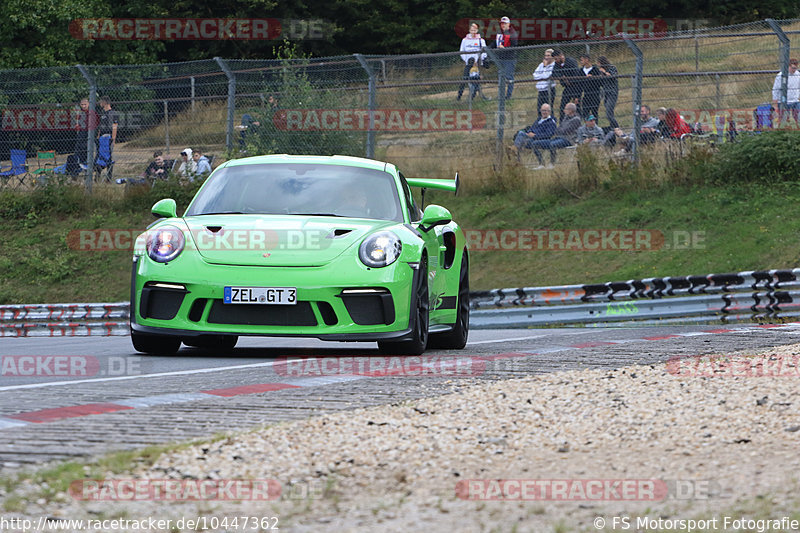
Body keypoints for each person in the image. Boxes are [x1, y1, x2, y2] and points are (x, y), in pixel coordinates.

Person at [530, 102, 582, 168]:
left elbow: (564, 130)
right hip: (558, 138)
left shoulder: (576, 120)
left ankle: (552, 164)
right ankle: (541, 164)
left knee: (553, 144)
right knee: (535, 144)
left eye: (565, 109)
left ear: (570, 110)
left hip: (568, 140)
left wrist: (560, 130)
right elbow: (558, 130)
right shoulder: (566, 117)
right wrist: (560, 130)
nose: (564, 110)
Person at [457, 23, 487, 101]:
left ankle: (474, 96)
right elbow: (461, 51)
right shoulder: (464, 40)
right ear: (469, 30)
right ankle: (459, 96)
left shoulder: (481, 40)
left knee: (476, 79)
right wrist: (467, 60)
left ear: (477, 30)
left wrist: (478, 60)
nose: (473, 32)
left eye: (475, 30)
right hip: (468, 63)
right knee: (465, 78)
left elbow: (484, 52)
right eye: (471, 30)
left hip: (477, 64)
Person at [492, 16, 518, 100]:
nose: (503, 25)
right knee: (501, 76)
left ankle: (508, 96)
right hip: (501, 58)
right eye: (502, 23)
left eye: (505, 23)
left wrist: (504, 48)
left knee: (509, 77)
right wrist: (487, 48)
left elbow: (514, 46)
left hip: (509, 58)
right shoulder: (500, 33)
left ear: (509, 24)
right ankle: (501, 95)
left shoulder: (512, 33)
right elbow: (494, 43)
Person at [552, 49, 581, 122]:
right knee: (563, 106)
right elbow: (554, 73)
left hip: (576, 86)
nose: (556, 61)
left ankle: (579, 121)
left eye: (556, 58)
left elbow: (575, 73)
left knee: (577, 105)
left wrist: (566, 78)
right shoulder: (557, 64)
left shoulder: (571, 61)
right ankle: (562, 122)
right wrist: (562, 77)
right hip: (567, 87)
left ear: (561, 56)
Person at [771, 58, 800, 124]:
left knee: (798, 119)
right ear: (788, 66)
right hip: (783, 101)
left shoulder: (798, 74)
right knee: (784, 121)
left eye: (796, 68)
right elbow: (775, 90)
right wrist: (775, 105)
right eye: (793, 68)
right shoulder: (780, 76)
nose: (794, 70)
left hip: (795, 101)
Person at [578, 54, 602, 121]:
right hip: (586, 95)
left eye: (582, 60)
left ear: (587, 60)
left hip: (595, 94)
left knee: (594, 112)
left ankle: (595, 127)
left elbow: (600, 82)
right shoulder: (581, 71)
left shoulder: (595, 70)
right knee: (585, 112)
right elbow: (579, 84)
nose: (581, 62)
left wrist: (592, 78)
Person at [597, 56, 619, 128]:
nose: (598, 64)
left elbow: (613, 76)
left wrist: (604, 72)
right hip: (605, 92)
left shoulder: (612, 68)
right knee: (608, 111)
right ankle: (613, 127)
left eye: (599, 63)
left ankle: (616, 127)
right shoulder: (600, 70)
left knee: (609, 112)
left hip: (612, 92)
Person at [533, 49, 556, 118]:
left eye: (548, 55)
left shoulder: (554, 65)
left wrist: (545, 67)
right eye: (545, 55)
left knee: (548, 108)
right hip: (541, 90)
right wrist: (543, 69)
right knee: (540, 109)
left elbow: (547, 76)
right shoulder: (541, 65)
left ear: (552, 56)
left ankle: (551, 122)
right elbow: (535, 75)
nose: (546, 57)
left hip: (549, 90)